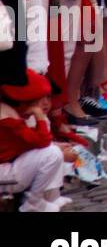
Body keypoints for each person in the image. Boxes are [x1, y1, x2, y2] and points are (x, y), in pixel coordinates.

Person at [0, 70, 72, 212]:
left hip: (7, 169)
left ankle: (51, 197)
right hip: (4, 176)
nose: (45, 103)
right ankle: (33, 203)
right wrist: (39, 116)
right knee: (52, 153)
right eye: (40, 98)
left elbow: (33, 143)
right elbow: (42, 142)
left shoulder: (11, 114)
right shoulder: (8, 119)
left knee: (55, 150)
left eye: (48, 98)